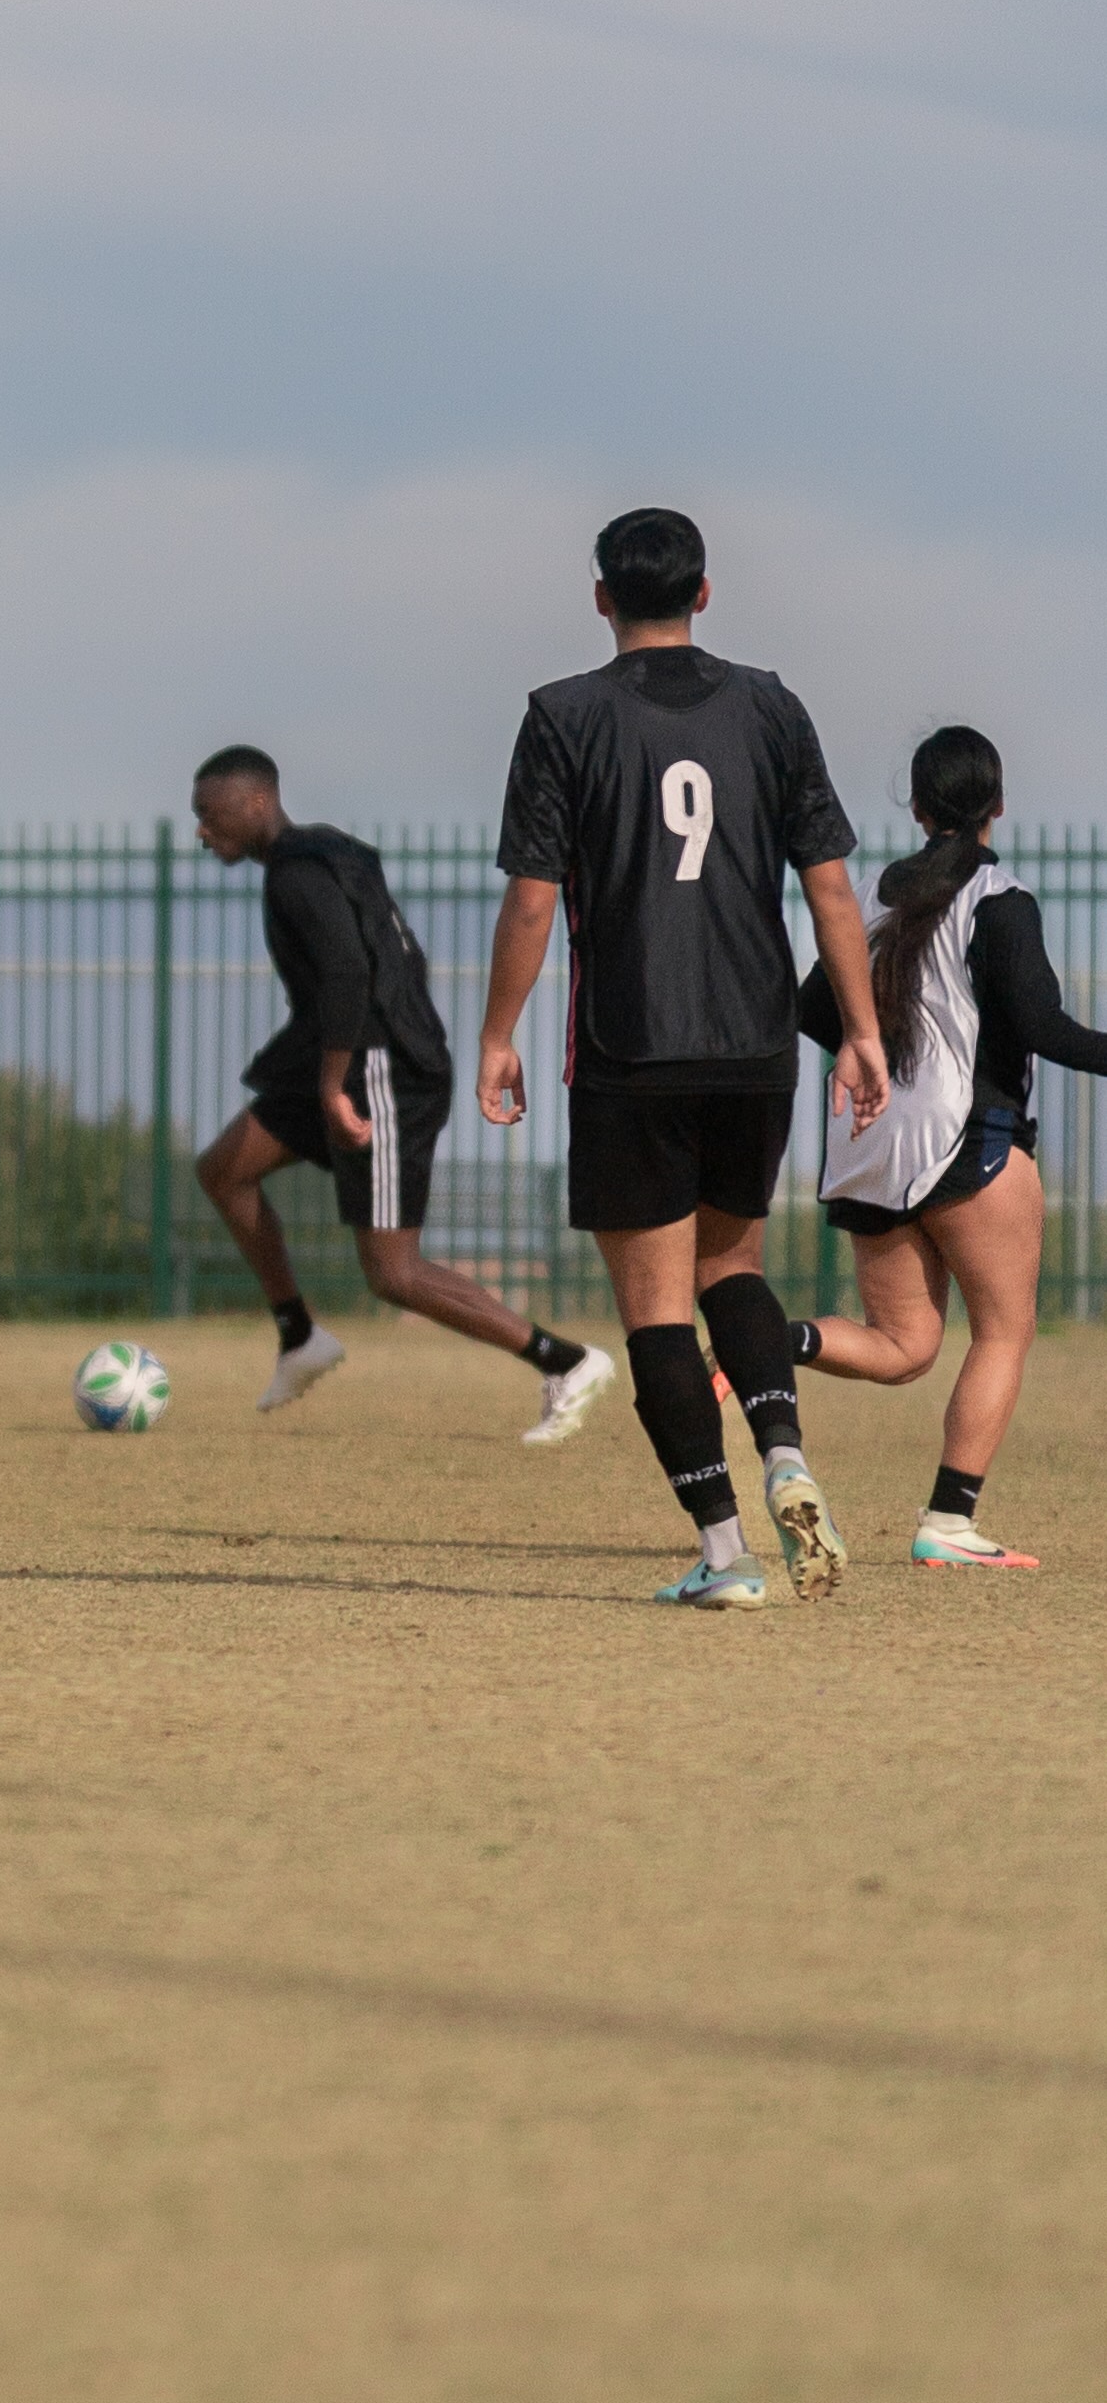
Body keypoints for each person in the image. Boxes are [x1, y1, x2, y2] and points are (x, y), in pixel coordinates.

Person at [475, 507, 886, 1611]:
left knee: (657, 1308)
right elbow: (831, 885)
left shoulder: (560, 715)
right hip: (753, 1040)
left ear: (598, 596)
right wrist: (857, 1028)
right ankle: (786, 1455)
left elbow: (530, 896)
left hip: (631, 1044)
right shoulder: (768, 705)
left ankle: (721, 1555)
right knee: (731, 1267)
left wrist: (496, 1033)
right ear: (703, 593)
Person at [185, 750, 613, 1440]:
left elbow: (350, 973)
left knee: (393, 1271)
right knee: (223, 1169)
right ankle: (298, 1335)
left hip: (374, 1068)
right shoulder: (328, 853)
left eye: (209, 813)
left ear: (256, 801)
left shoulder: (298, 873)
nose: (202, 831)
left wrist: (332, 1085)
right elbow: (396, 961)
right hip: (348, 1054)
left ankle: (564, 1360)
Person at [791, 726, 1107, 1571]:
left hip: (867, 1142)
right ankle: (948, 1521)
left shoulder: (867, 892)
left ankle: (772, 1340)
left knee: (903, 1346)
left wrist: (887, 1049)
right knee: (1002, 1332)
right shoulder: (999, 898)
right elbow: (1043, 1027)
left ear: (919, 806)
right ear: (994, 806)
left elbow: (814, 1009)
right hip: (971, 1141)